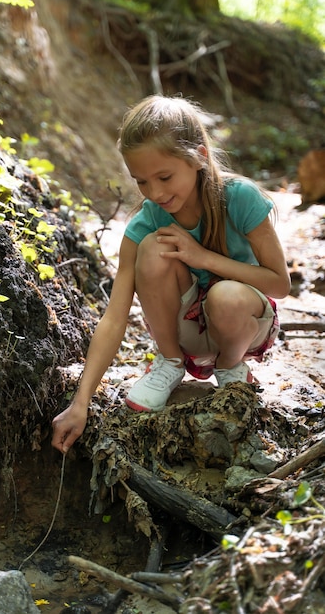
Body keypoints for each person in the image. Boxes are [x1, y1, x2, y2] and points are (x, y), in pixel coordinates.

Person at [51, 94, 290, 454]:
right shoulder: (147, 221)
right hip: (187, 332)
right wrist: (80, 402)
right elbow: (115, 316)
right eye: (142, 182)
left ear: (199, 157)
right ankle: (169, 363)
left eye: (164, 176)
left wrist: (203, 257)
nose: (155, 193)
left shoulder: (240, 198)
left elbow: (280, 283)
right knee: (153, 248)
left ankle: (230, 368)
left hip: (245, 325)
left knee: (226, 296)